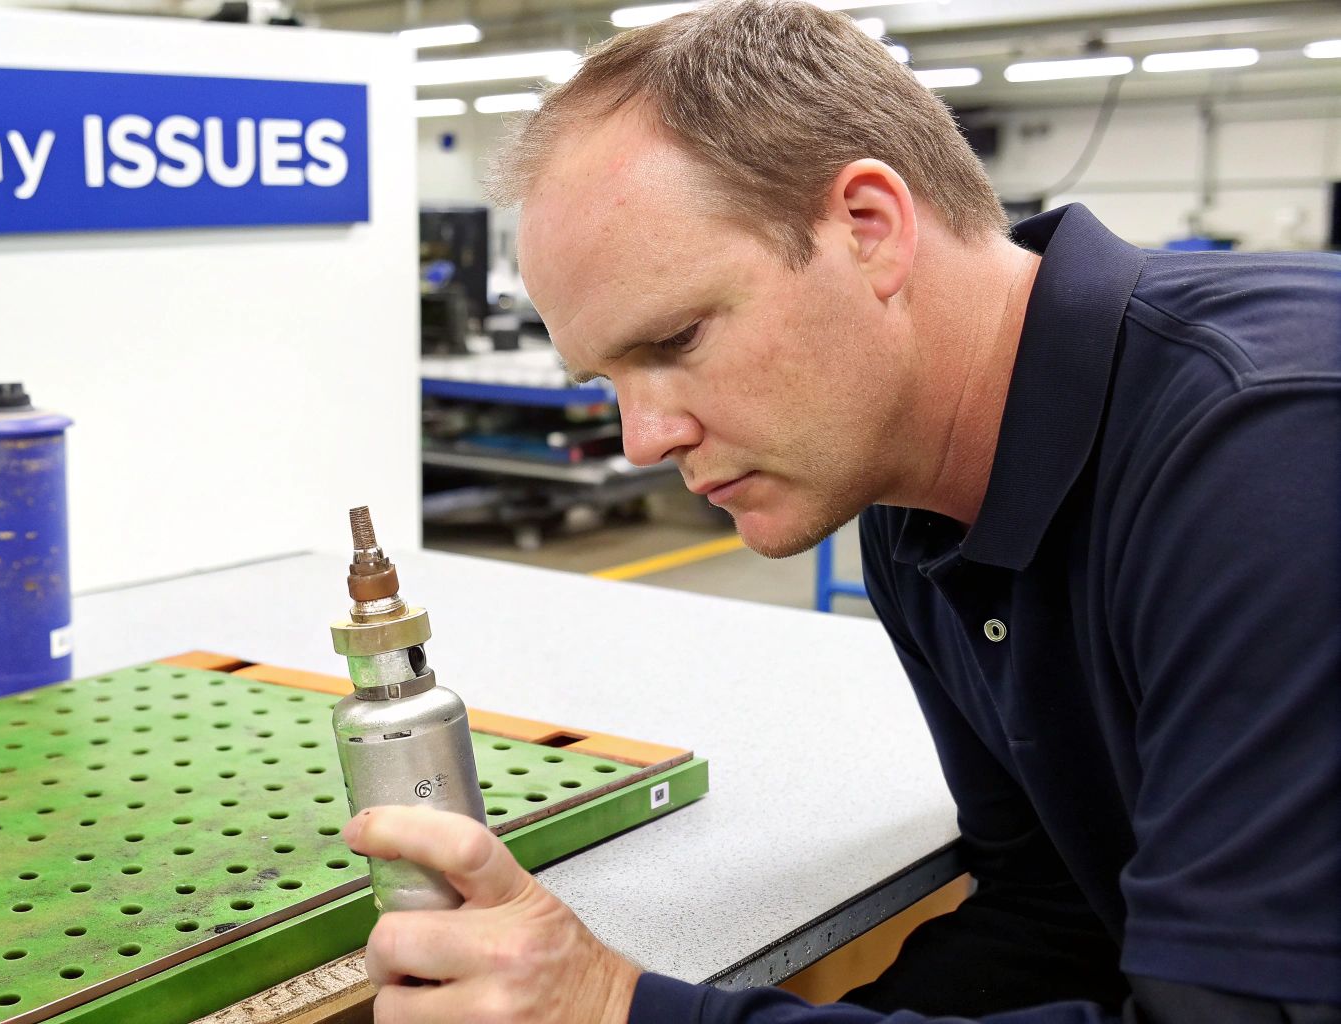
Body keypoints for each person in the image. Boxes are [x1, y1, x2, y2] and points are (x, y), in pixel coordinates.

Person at [340, 1, 1341, 1021]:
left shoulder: (1272, 452)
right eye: (605, 376)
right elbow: (1060, 915)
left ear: (867, 230)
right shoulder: (915, 512)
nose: (641, 438)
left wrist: (614, 1008)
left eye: (676, 338)